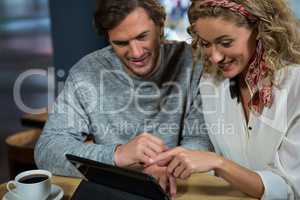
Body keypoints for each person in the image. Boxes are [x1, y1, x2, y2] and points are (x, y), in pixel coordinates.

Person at [34, 0, 211, 196]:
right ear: (108, 39)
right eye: (121, 43)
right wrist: (118, 154)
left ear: (160, 26)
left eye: (142, 37)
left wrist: (166, 165)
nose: (136, 53)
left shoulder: (192, 62)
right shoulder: (86, 72)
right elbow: (47, 150)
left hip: (181, 188)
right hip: (113, 191)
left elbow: (201, 139)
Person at [151, 0, 300, 199]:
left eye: (225, 42)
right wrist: (168, 164)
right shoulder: (211, 83)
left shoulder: (295, 86)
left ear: (260, 30)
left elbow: (289, 188)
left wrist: (218, 163)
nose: (215, 57)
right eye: (205, 43)